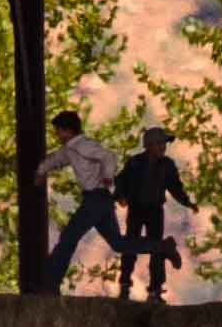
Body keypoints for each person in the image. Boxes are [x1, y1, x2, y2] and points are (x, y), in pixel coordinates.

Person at [37, 110, 180, 295]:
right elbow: (57, 159)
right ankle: (161, 246)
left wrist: (107, 176)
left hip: (95, 199)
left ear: (68, 130)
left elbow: (109, 156)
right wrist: (41, 171)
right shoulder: (71, 149)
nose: (57, 135)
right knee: (118, 243)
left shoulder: (83, 146)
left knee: (68, 239)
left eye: (58, 131)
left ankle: (49, 284)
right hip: (101, 200)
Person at [113, 126, 197, 304]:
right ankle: (125, 283)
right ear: (149, 145)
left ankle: (155, 290)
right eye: (160, 144)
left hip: (155, 211)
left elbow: (175, 187)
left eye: (164, 144)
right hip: (136, 209)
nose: (163, 147)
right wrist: (120, 196)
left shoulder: (167, 165)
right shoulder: (135, 162)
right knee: (130, 245)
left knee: (157, 249)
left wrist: (187, 202)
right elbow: (120, 180)